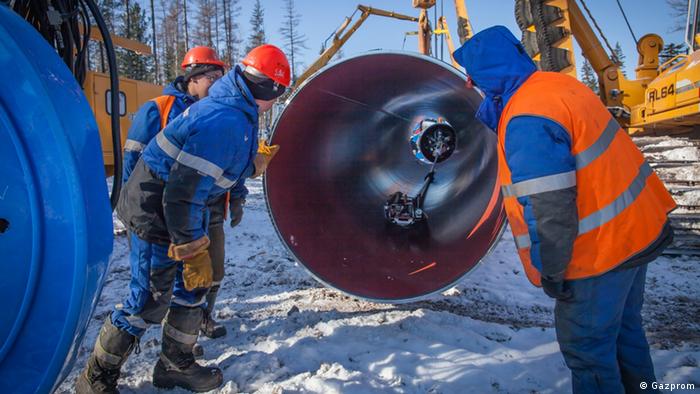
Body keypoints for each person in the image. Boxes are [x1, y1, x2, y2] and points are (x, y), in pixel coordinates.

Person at [453, 26, 676, 394]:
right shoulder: (557, 88)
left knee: (589, 353)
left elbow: (549, 206)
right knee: (625, 336)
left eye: (472, 76)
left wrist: (552, 268)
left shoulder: (526, 119)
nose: (467, 85)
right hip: (636, 234)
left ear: (489, 73)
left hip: (599, 255)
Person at [76, 44, 289, 393]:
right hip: (155, 209)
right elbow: (181, 192)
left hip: (183, 206)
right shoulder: (224, 119)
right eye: (277, 96)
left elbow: (215, 169)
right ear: (268, 89)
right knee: (147, 300)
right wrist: (190, 248)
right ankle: (96, 377)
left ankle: (176, 364)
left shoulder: (239, 111)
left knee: (192, 287)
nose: (275, 103)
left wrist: (251, 166)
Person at [121, 46, 243, 341]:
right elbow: (134, 164)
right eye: (212, 76)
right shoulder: (158, 109)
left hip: (206, 209)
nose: (217, 83)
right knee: (155, 289)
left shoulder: (218, 113)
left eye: (221, 76)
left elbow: (230, 160)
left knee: (206, 275)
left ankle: (191, 331)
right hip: (161, 212)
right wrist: (135, 213)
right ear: (193, 77)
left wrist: (237, 195)